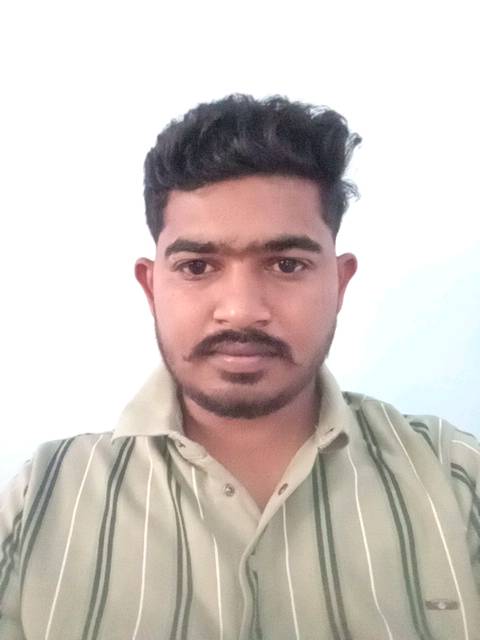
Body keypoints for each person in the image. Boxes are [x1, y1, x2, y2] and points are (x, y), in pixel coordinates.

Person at [0, 95, 479, 640]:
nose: (242, 310)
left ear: (339, 283)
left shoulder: (455, 478)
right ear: (152, 287)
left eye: (287, 264)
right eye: (197, 266)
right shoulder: (41, 497)